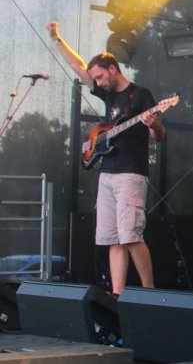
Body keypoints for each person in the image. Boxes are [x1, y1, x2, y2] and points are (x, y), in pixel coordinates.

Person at [47, 21, 166, 295]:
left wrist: (154, 124)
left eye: (101, 77)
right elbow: (77, 65)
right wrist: (56, 38)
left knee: (131, 236)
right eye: (96, 79)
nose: (98, 83)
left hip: (131, 173)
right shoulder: (108, 94)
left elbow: (159, 135)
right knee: (112, 239)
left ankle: (150, 292)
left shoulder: (141, 94)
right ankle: (117, 294)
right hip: (107, 173)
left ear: (113, 69)